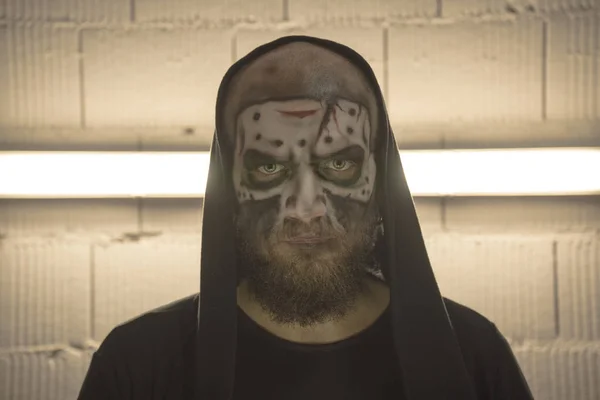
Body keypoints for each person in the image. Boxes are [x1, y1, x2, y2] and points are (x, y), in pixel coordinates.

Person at [77, 36, 534, 400]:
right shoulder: (139, 363)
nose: (306, 209)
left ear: (379, 181)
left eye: (338, 165)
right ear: (229, 190)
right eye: (269, 168)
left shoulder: (472, 355)